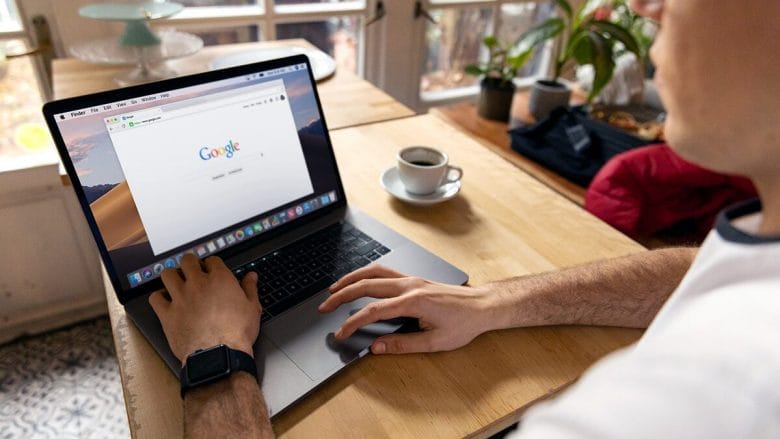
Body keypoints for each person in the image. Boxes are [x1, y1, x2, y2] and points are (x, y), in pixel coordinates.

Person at [148, 0, 780, 437]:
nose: (643, 6)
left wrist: (216, 355)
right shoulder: (761, 249)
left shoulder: (699, 403)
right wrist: (498, 302)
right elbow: (706, 270)